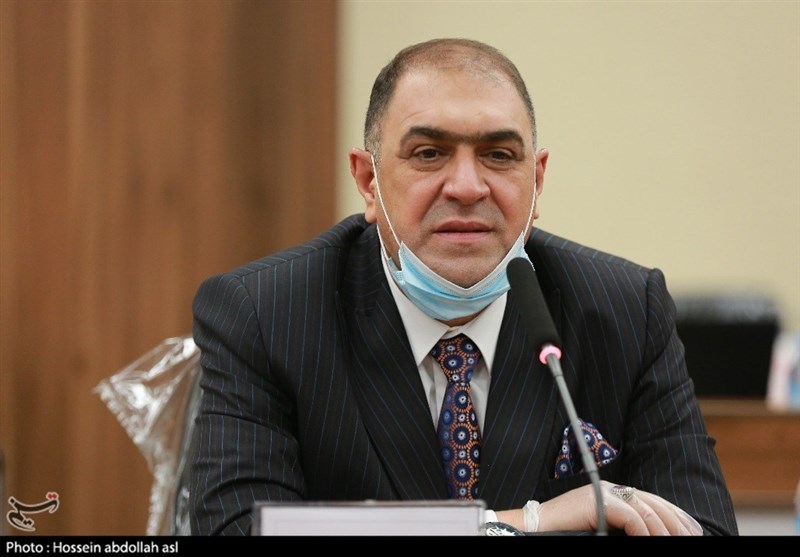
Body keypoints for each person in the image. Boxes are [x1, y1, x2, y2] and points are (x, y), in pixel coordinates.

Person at [189, 37, 738, 536]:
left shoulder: (626, 309)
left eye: (499, 155)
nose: (468, 187)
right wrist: (520, 524)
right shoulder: (265, 313)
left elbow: (704, 527)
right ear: (368, 180)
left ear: (536, 180)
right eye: (429, 153)